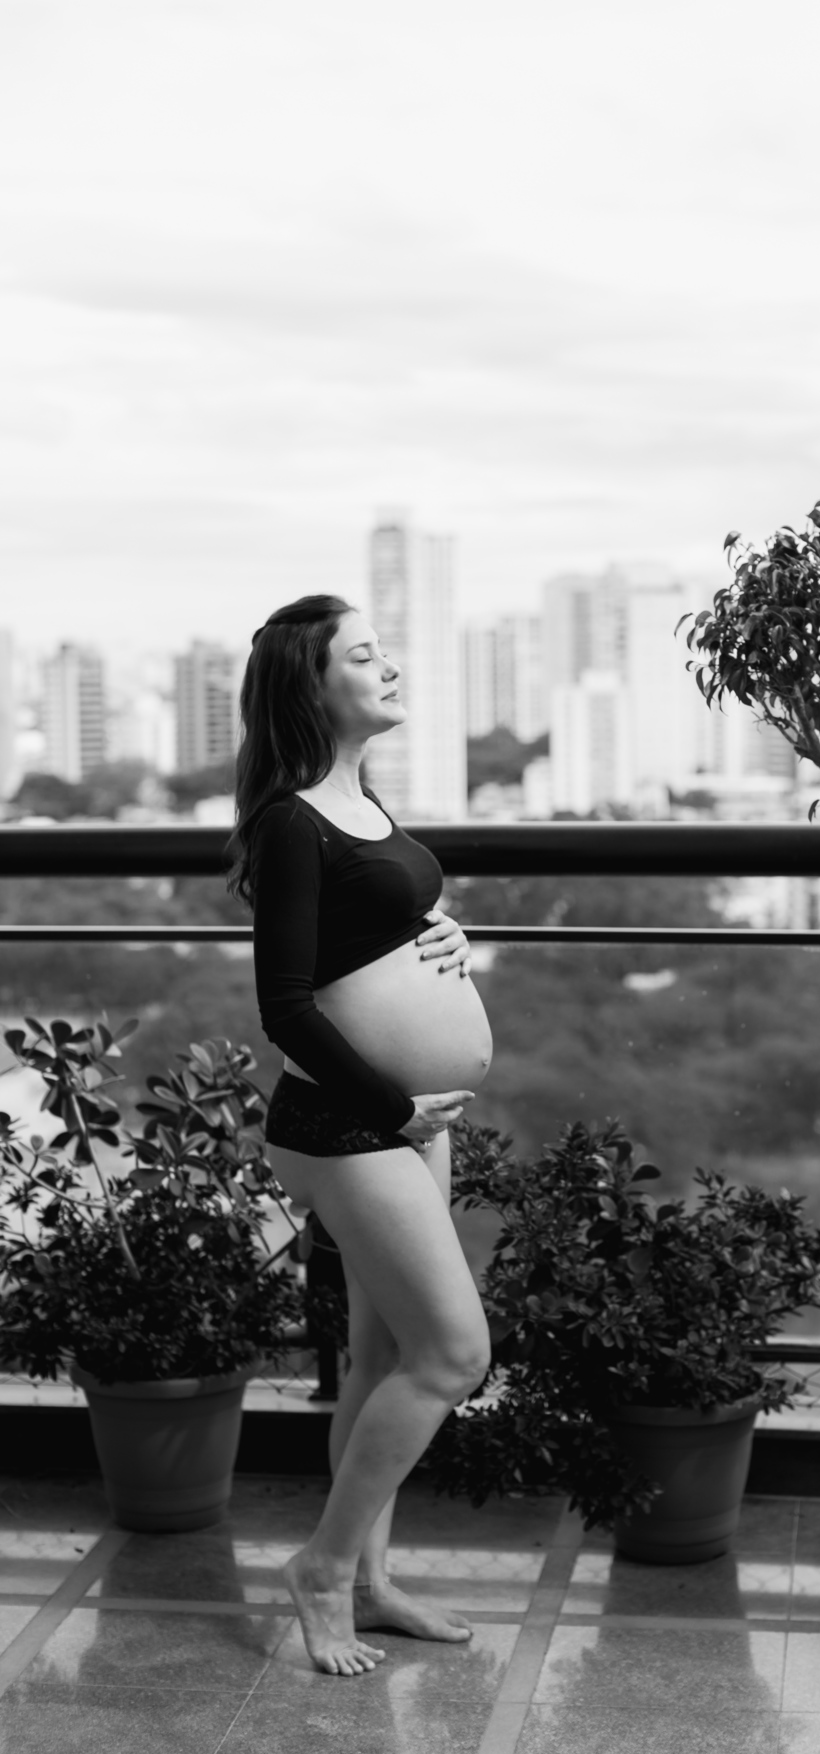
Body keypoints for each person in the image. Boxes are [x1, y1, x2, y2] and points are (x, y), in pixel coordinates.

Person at [228, 593, 494, 1676]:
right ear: (311, 683)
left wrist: (443, 931)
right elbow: (286, 1006)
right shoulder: (292, 821)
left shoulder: (361, 801)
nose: (390, 669)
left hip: (408, 1123)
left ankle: (373, 1583)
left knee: (381, 1357)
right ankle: (326, 1567)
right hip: (350, 1127)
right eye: (365, 655)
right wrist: (396, 1109)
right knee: (454, 1354)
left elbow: (372, 930)